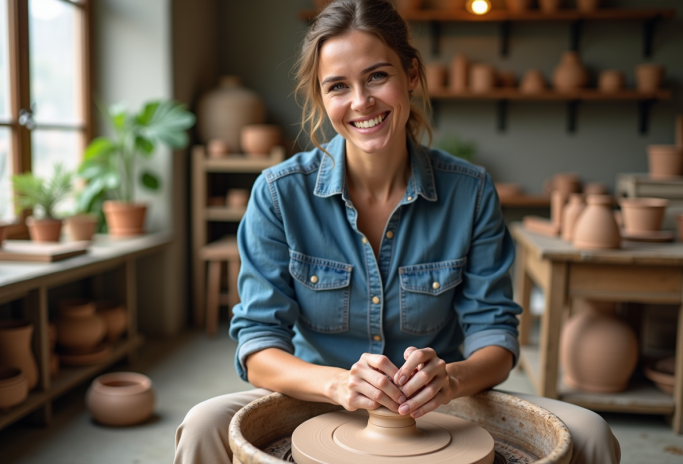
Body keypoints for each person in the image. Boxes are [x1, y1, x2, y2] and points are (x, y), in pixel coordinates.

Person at [174, 1, 621, 463]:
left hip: (437, 404)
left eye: (377, 76)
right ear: (321, 98)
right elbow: (258, 346)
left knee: (590, 431)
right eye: (338, 87)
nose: (361, 102)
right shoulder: (279, 194)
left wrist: (451, 379)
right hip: (319, 397)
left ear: (410, 73)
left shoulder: (470, 191)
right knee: (203, 425)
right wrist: (337, 383)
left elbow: (496, 338)